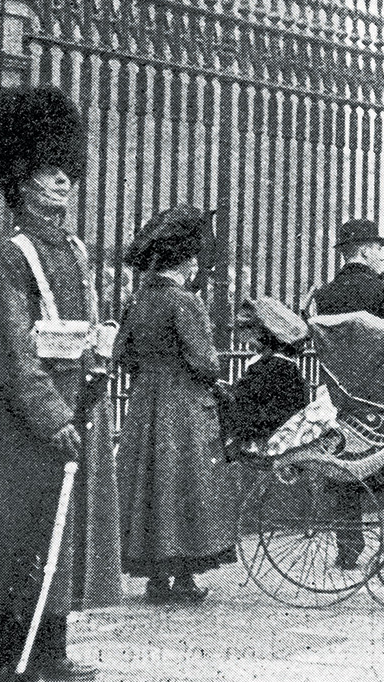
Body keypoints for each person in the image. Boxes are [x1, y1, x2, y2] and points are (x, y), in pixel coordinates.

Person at [0, 87, 121, 682]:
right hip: (30, 422)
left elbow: (85, 326)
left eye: (66, 172)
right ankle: (13, 660)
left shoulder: (76, 251)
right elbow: (12, 349)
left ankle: (52, 652)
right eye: (46, 173)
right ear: (20, 183)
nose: (61, 183)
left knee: (63, 540)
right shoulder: (10, 256)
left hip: (78, 409)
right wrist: (52, 415)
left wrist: (98, 364)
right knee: (29, 537)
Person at [114, 206, 237, 604]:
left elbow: (125, 356)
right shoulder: (184, 302)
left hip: (145, 402)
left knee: (149, 485)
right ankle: (183, 577)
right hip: (182, 405)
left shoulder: (140, 300)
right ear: (185, 260)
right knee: (186, 484)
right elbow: (205, 362)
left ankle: (155, 579)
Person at [315, 218, 384, 568]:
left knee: (346, 462)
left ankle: (349, 547)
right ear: (365, 251)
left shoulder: (325, 295)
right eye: (380, 249)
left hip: (344, 397)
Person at [229, 296, 310, 457]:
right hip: (284, 439)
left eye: (253, 335)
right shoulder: (288, 367)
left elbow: (245, 410)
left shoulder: (266, 368)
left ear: (266, 337)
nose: (249, 342)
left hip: (264, 445)